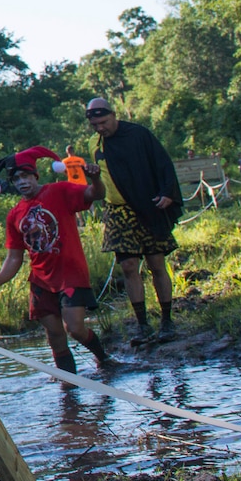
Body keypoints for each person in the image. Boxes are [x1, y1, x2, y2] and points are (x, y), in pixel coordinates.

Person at [0, 147, 113, 376]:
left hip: (70, 274)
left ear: (35, 176)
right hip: (41, 281)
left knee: (75, 329)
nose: (22, 182)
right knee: (54, 336)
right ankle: (69, 386)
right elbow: (14, 258)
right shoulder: (15, 215)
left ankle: (104, 360)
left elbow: (96, 194)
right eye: (16, 179)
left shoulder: (59, 191)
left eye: (25, 176)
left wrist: (95, 177)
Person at [85, 96, 182, 342]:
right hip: (118, 210)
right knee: (128, 266)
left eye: (104, 122)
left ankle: (167, 320)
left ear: (114, 115)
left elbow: (162, 164)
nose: (100, 128)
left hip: (147, 206)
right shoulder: (95, 145)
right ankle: (142, 324)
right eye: (95, 125)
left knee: (156, 263)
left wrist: (167, 193)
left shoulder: (139, 135)